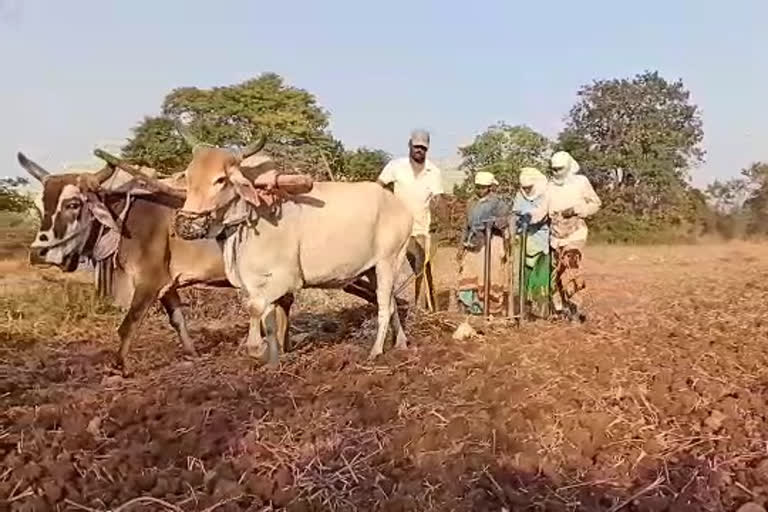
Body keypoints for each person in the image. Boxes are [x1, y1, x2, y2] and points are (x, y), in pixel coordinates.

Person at [377, 129, 444, 310]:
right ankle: (387, 306)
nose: (419, 151)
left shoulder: (433, 172)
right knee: (388, 270)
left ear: (427, 149)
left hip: (421, 229)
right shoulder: (396, 167)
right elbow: (379, 186)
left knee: (421, 272)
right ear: (409, 145)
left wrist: (439, 217)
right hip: (396, 229)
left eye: (423, 148)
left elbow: (438, 199)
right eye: (416, 147)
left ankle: (423, 310)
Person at [547, 151, 601, 322]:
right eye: (554, 169)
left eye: (560, 169)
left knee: (571, 267)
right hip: (555, 235)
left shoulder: (580, 182)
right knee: (556, 274)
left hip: (575, 232)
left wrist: (579, 209)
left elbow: (595, 203)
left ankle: (576, 308)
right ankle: (561, 308)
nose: (556, 172)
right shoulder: (549, 186)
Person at [455, 171, 511, 316]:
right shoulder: (471, 202)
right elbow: (466, 226)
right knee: (468, 272)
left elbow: (505, 221)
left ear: (490, 187)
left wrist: (494, 223)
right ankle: (470, 305)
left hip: (492, 242)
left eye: (483, 187)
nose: (480, 190)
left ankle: (491, 308)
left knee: (490, 275)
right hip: (473, 242)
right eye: (478, 187)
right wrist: (461, 247)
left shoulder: (498, 203)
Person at [511, 167, 551, 319]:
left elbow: (543, 215)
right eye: (524, 188)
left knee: (540, 277)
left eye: (529, 187)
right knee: (524, 278)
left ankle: (542, 311)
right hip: (525, 240)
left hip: (541, 241)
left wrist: (530, 217)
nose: (526, 190)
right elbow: (515, 213)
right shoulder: (520, 196)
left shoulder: (545, 194)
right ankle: (524, 309)